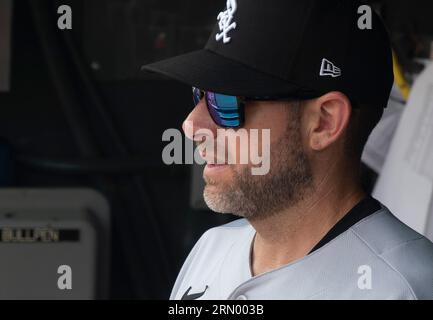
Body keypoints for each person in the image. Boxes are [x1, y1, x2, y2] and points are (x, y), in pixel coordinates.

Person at [142, 0, 433, 300]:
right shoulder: (210, 249)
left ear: (324, 122)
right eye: (200, 94)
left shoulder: (404, 287)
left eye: (224, 99)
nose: (191, 125)